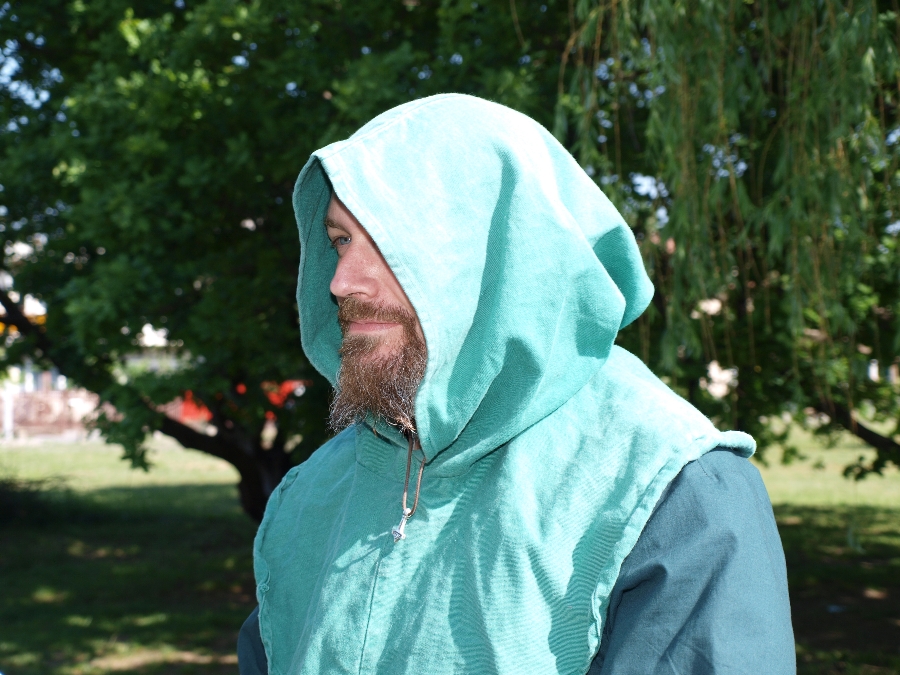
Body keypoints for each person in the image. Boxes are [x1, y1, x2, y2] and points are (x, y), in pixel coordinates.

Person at [238, 94, 795, 674]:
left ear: (500, 244)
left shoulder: (674, 492)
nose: (341, 281)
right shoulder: (309, 497)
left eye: (388, 238)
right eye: (341, 240)